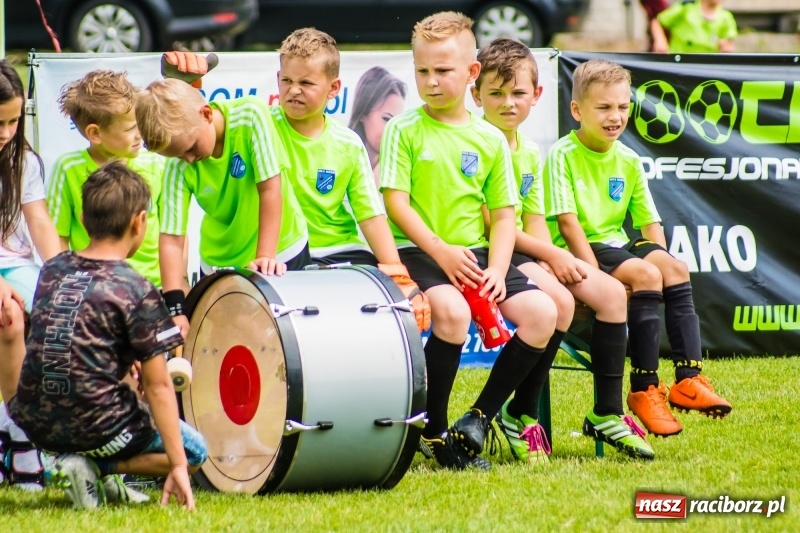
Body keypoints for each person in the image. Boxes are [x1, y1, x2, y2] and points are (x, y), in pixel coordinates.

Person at [381, 11, 559, 471]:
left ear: (471, 73)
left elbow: (503, 217)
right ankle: (434, 432)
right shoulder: (404, 128)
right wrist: (440, 250)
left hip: (478, 256)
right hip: (420, 253)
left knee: (542, 313)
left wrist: (498, 270)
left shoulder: (489, 140)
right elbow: (396, 204)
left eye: (443, 71)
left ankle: (479, 417)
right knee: (454, 314)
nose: (431, 81)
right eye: (422, 71)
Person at [471, 38, 653, 461]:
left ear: (536, 96)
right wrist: (551, 256)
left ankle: (607, 412)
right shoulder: (476, 143)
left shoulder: (532, 151)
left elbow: (533, 221)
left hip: (528, 251)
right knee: (560, 304)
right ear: (477, 94)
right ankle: (521, 413)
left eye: (518, 93)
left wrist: (547, 255)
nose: (508, 104)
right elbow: (489, 223)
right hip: (489, 252)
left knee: (608, 294)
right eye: (497, 94)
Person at [544, 58, 732, 438]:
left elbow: (650, 223)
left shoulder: (628, 158)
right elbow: (567, 223)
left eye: (623, 107)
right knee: (646, 273)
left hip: (616, 244)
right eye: (604, 108)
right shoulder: (562, 154)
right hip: (581, 248)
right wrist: (594, 274)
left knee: (674, 268)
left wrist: (663, 263)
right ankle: (644, 388)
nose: (616, 116)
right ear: (577, 110)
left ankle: (688, 379)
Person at [4, 162, 207, 509]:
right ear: (139, 222)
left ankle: (79, 465)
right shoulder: (137, 287)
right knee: (195, 451)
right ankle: (98, 466)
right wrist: (176, 465)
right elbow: (158, 387)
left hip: (35, 423)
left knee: (122, 378)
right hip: (99, 428)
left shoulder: (53, 269)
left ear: (83, 219)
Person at [270, 28, 430, 332]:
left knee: (380, 321)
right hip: (281, 260)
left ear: (334, 88)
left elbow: (370, 215)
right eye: (286, 80)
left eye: (306, 82)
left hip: (342, 254)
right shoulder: (259, 127)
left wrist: (399, 274)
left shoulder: (348, 143)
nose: (293, 90)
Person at [135, 77, 309, 337]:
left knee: (289, 344)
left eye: (191, 148)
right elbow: (172, 237)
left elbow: (270, 189)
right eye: (179, 156)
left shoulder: (250, 115)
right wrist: (175, 309)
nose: (189, 160)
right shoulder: (177, 165)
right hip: (221, 266)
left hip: (281, 252)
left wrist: (266, 257)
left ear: (205, 114)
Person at [0, 59, 62, 491]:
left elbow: (39, 223)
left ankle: (25, 435)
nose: (6, 133)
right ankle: (22, 440)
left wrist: (68, 277)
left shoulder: (23, 161)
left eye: (13, 121)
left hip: (17, 265)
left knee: (59, 312)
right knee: (8, 319)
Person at [48, 70, 166, 288]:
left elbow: (173, 231)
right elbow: (57, 237)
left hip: (153, 287)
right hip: (93, 290)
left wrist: (175, 285)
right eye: (131, 128)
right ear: (95, 133)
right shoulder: (68, 169)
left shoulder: (156, 164)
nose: (140, 134)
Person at [348, 66, 407, 186]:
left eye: (397, 122)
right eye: (386, 119)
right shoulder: (338, 158)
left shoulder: (398, 168)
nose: (392, 129)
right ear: (363, 112)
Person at [652, 0, 737, 53]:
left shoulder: (727, 17)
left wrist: (725, 48)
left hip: (705, 68)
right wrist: (660, 40)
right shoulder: (686, 8)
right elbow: (657, 21)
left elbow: (728, 44)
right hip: (680, 63)